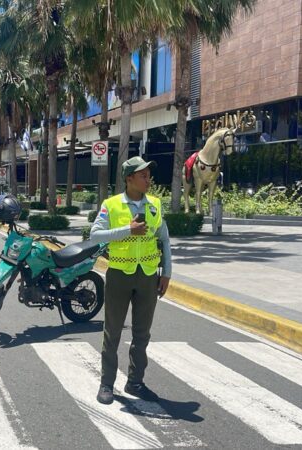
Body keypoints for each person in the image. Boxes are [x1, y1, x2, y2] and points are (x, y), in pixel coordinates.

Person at [89, 156, 172, 405]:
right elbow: (95, 236)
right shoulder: (112, 205)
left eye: (148, 175)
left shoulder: (155, 205)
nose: (148, 179)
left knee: (142, 334)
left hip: (148, 276)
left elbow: (164, 240)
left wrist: (166, 272)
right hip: (119, 276)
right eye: (143, 175)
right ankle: (107, 383)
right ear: (129, 179)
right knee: (112, 332)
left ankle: (135, 381)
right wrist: (128, 229)